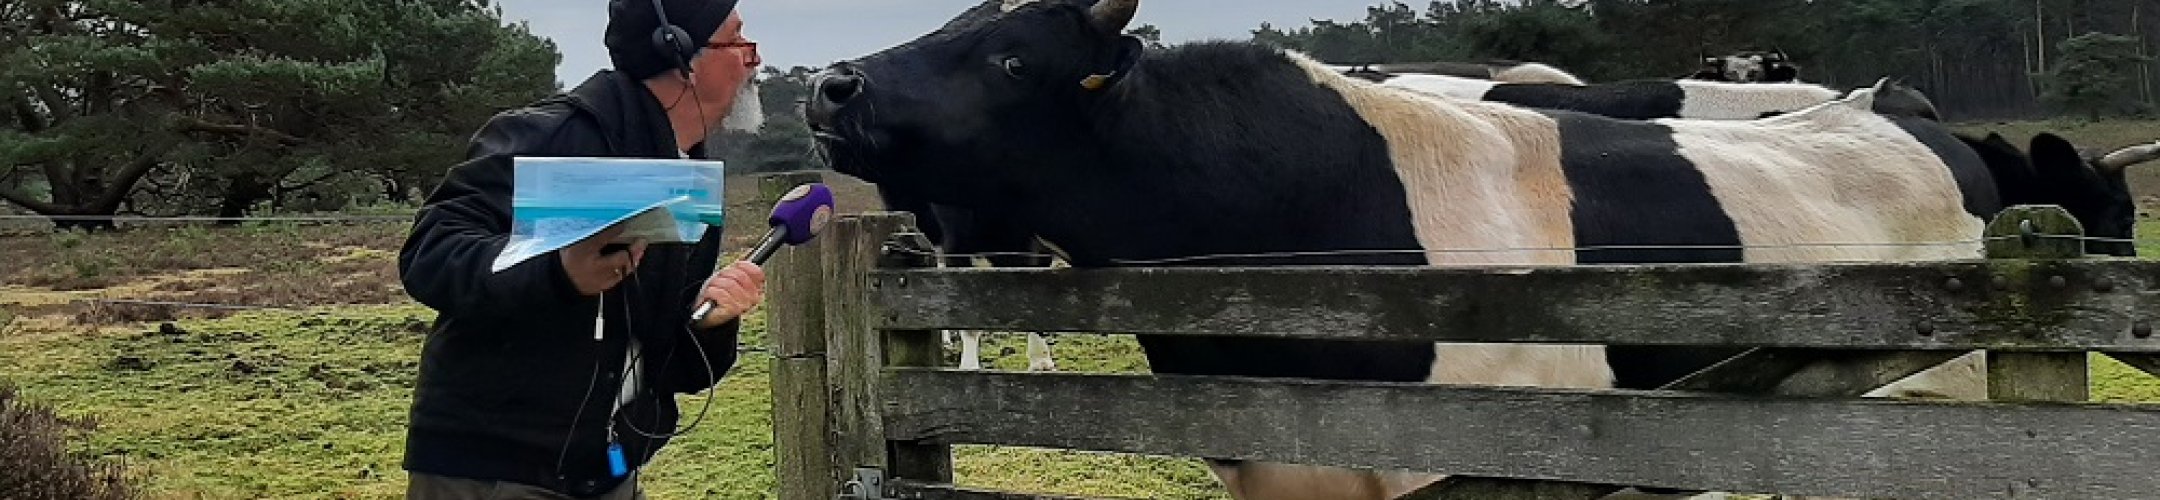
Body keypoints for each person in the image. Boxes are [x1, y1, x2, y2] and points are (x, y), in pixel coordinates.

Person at [394, 0, 767, 498]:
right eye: (738, 39)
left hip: (603, 472)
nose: (754, 57)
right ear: (680, 55)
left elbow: (667, 360)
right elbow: (430, 253)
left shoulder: (687, 172)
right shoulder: (551, 134)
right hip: (494, 473)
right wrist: (559, 274)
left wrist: (712, 322)